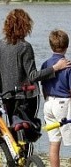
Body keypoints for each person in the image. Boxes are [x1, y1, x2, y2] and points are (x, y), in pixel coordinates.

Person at [0, 9, 71, 155]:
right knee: (28, 132)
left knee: (14, 131)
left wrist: (3, 93)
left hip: (7, 96)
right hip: (26, 97)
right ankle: (27, 159)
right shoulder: (25, 47)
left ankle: (16, 160)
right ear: (25, 25)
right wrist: (56, 67)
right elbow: (33, 75)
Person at [41, 29, 71, 167]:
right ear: (67, 46)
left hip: (48, 103)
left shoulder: (46, 65)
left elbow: (43, 84)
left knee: (54, 143)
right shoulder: (68, 66)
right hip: (63, 104)